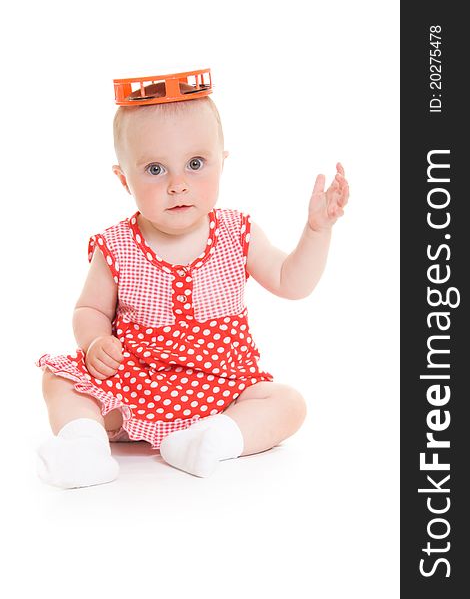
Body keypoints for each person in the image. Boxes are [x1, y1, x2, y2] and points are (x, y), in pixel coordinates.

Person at [36, 79, 349, 489]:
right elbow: (90, 309)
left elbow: (292, 282)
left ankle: (211, 440)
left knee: (288, 404)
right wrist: (95, 343)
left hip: (221, 391)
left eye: (196, 164)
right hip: (135, 384)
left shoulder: (238, 232)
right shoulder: (116, 245)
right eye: (154, 169)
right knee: (59, 379)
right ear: (123, 178)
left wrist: (317, 230)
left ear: (223, 161)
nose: (177, 184)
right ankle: (85, 446)